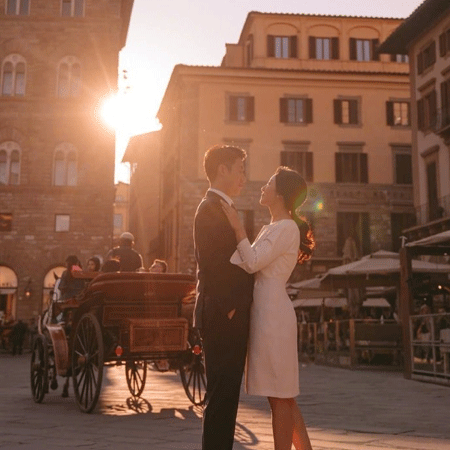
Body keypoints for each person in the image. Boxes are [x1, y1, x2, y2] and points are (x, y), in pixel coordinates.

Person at [221, 166, 314, 450]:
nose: (263, 187)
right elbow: (244, 260)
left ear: (282, 194)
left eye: (269, 183)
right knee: (283, 396)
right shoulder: (276, 227)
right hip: (267, 312)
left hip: (273, 316)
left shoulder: (285, 228)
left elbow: (251, 262)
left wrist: (237, 227)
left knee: (279, 396)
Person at [193, 144, 254, 450]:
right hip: (222, 316)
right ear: (222, 170)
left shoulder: (220, 207)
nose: (244, 176)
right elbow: (214, 265)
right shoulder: (210, 208)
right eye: (240, 169)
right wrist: (231, 309)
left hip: (223, 315)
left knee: (225, 399)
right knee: (221, 399)